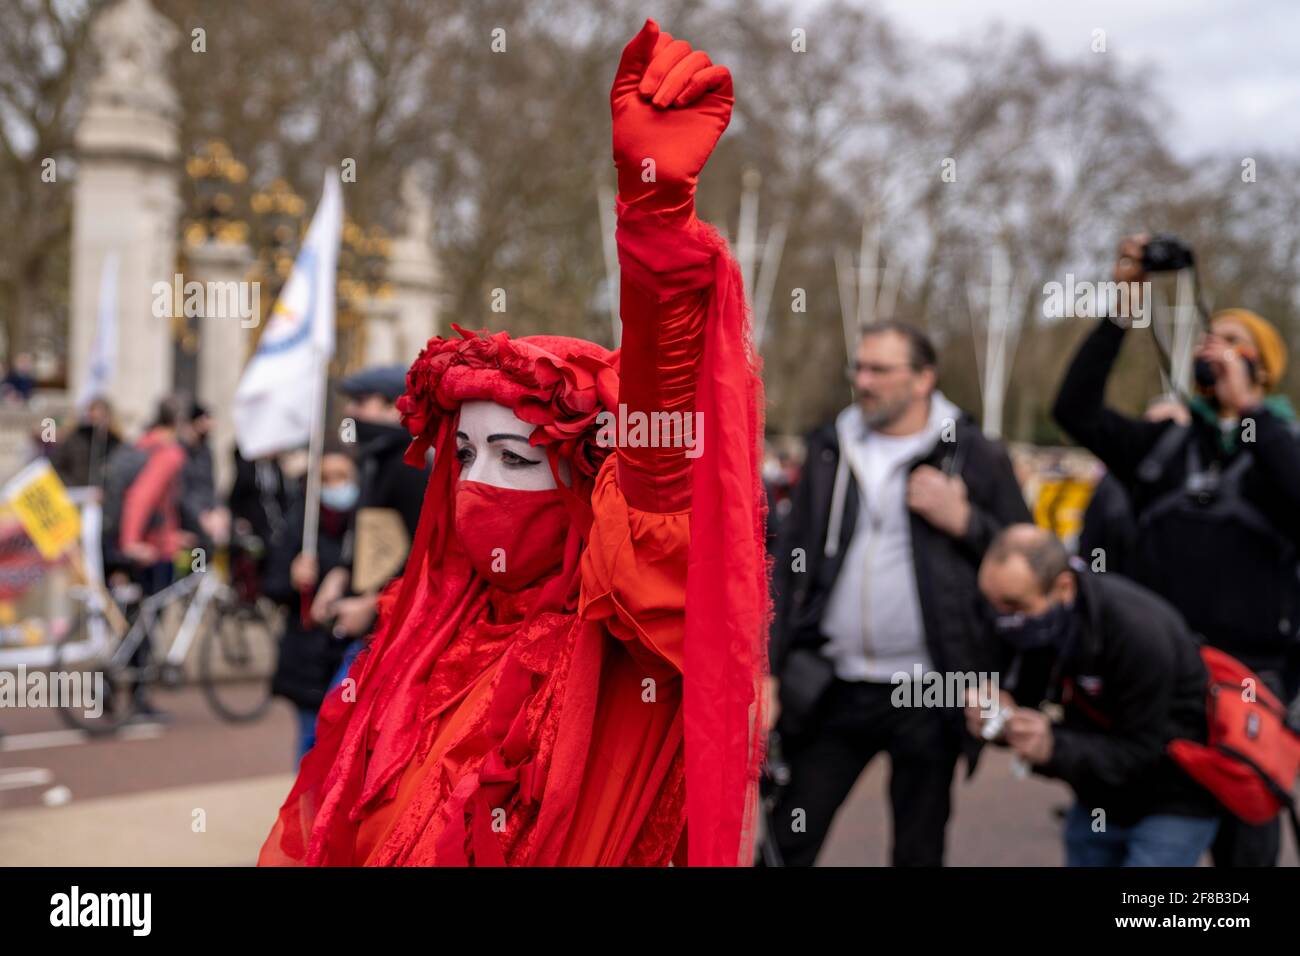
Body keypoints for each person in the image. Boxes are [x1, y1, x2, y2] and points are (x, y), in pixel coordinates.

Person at [259, 20, 766, 867]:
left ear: (583, 478)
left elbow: (662, 443)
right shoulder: (429, 626)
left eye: (520, 459)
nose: (479, 483)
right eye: (464, 456)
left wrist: (654, 221)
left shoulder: (626, 625)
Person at [1053, 233, 1300, 866]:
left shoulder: (1278, 446)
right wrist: (1123, 309)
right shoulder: (1163, 446)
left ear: (1262, 367)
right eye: (1208, 338)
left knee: (1245, 848)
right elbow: (1074, 409)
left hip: (1247, 677)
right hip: (1159, 672)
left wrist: (1249, 408)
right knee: (1147, 836)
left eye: (1233, 343)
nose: (1212, 349)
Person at [768, 321, 1030, 866]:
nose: (863, 381)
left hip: (932, 689)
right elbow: (788, 566)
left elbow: (1027, 566)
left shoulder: (976, 454)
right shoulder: (828, 447)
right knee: (787, 839)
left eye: (879, 370)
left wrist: (966, 521)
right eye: (858, 368)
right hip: (833, 680)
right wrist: (766, 670)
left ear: (922, 379)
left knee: (918, 848)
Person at [974, 524, 1219, 866]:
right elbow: (1023, 699)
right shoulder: (1037, 620)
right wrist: (999, 718)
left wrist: (1053, 747)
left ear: (1063, 586)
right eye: (993, 604)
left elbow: (1142, 748)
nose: (1002, 619)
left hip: (1173, 796)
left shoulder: (1136, 632)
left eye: (1014, 605)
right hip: (1099, 795)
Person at [309, 364, 433, 681]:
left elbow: (424, 554)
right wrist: (340, 573)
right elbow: (365, 532)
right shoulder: (374, 460)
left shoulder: (410, 464)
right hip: (367, 627)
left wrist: (372, 604)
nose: (351, 411)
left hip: (393, 631)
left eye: (362, 401)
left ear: (395, 406)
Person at [265, 446, 359, 762]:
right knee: (311, 745)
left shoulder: (367, 525)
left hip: (350, 654)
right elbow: (271, 586)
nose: (335, 485)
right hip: (307, 657)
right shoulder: (299, 523)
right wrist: (292, 578)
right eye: (326, 478)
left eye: (342, 477)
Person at [51, 397, 122, 490]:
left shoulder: (115, 443)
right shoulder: (74, 439)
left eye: (102, 418)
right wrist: (73, 486)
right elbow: (56, 467)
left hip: (103, 498)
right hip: (76, 493)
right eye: (94, 418)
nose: (98, 423)